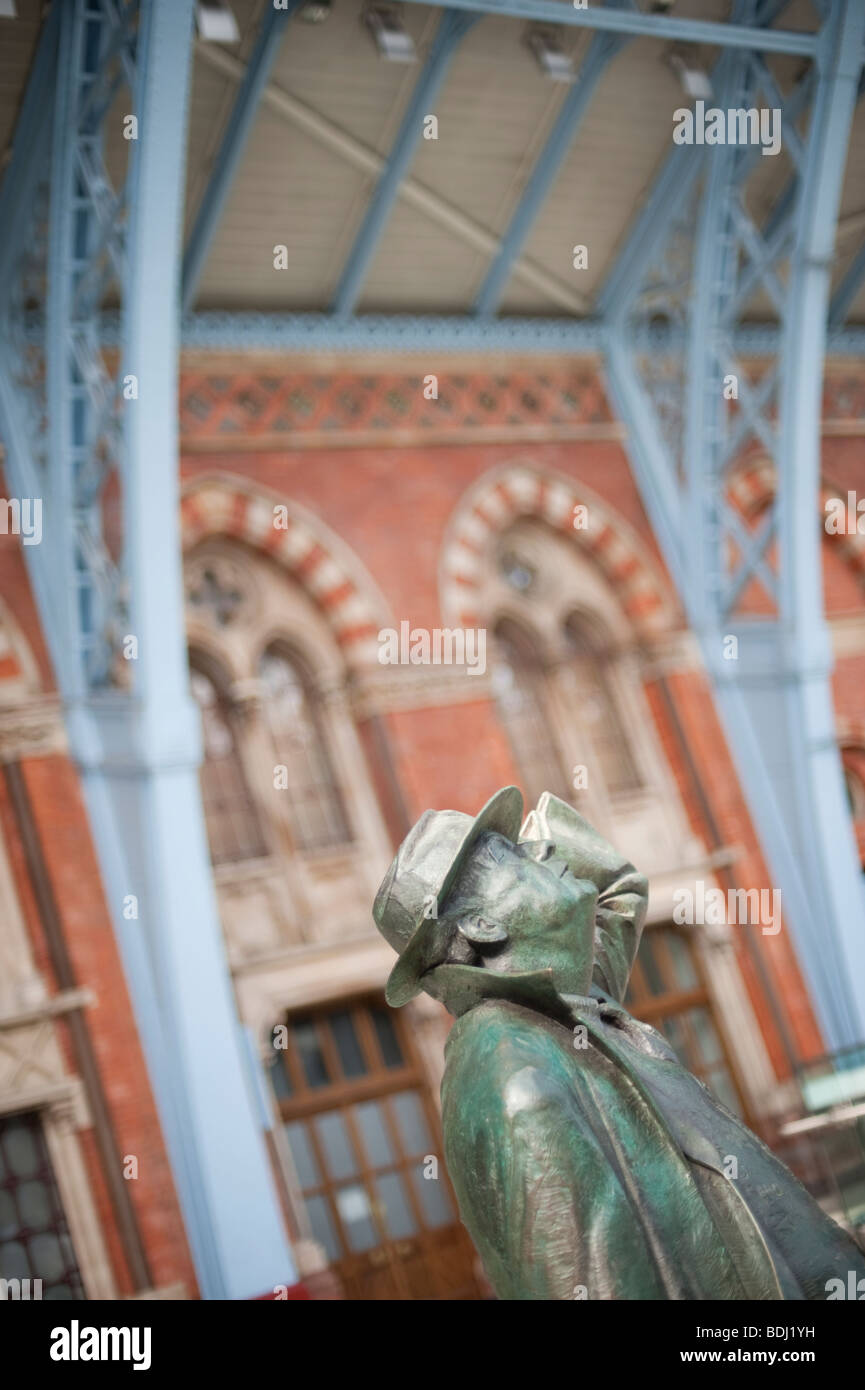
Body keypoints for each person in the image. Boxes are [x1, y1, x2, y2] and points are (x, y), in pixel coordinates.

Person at [372, 786, 865, 1300]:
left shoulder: (565, 999)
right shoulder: (513, 1074)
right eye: (513, 854)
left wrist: (543, 824)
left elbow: (614, 886)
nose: (541, 852)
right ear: (482, 923)